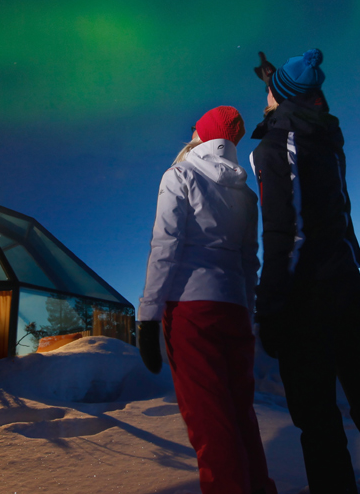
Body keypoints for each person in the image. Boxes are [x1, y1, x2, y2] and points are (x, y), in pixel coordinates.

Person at [250, 49, 360, 494]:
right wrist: (277, 83)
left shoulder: (277, 145)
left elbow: (285, 232)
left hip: (308, 298)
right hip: (349, 286)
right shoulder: (324, 137)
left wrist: (270, 306)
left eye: (269, 93)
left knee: (319, 422)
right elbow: (299, 106)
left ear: (281, 97)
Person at [137, 106, 277, 494]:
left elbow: (165, 246)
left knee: (209, 421)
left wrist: (148, 316)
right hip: (233, 309)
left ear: (200, 133)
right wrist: (247, 314)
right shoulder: (245, 194)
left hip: (190, 309)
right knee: (240, 415)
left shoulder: (179, 175)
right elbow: (250, 261)